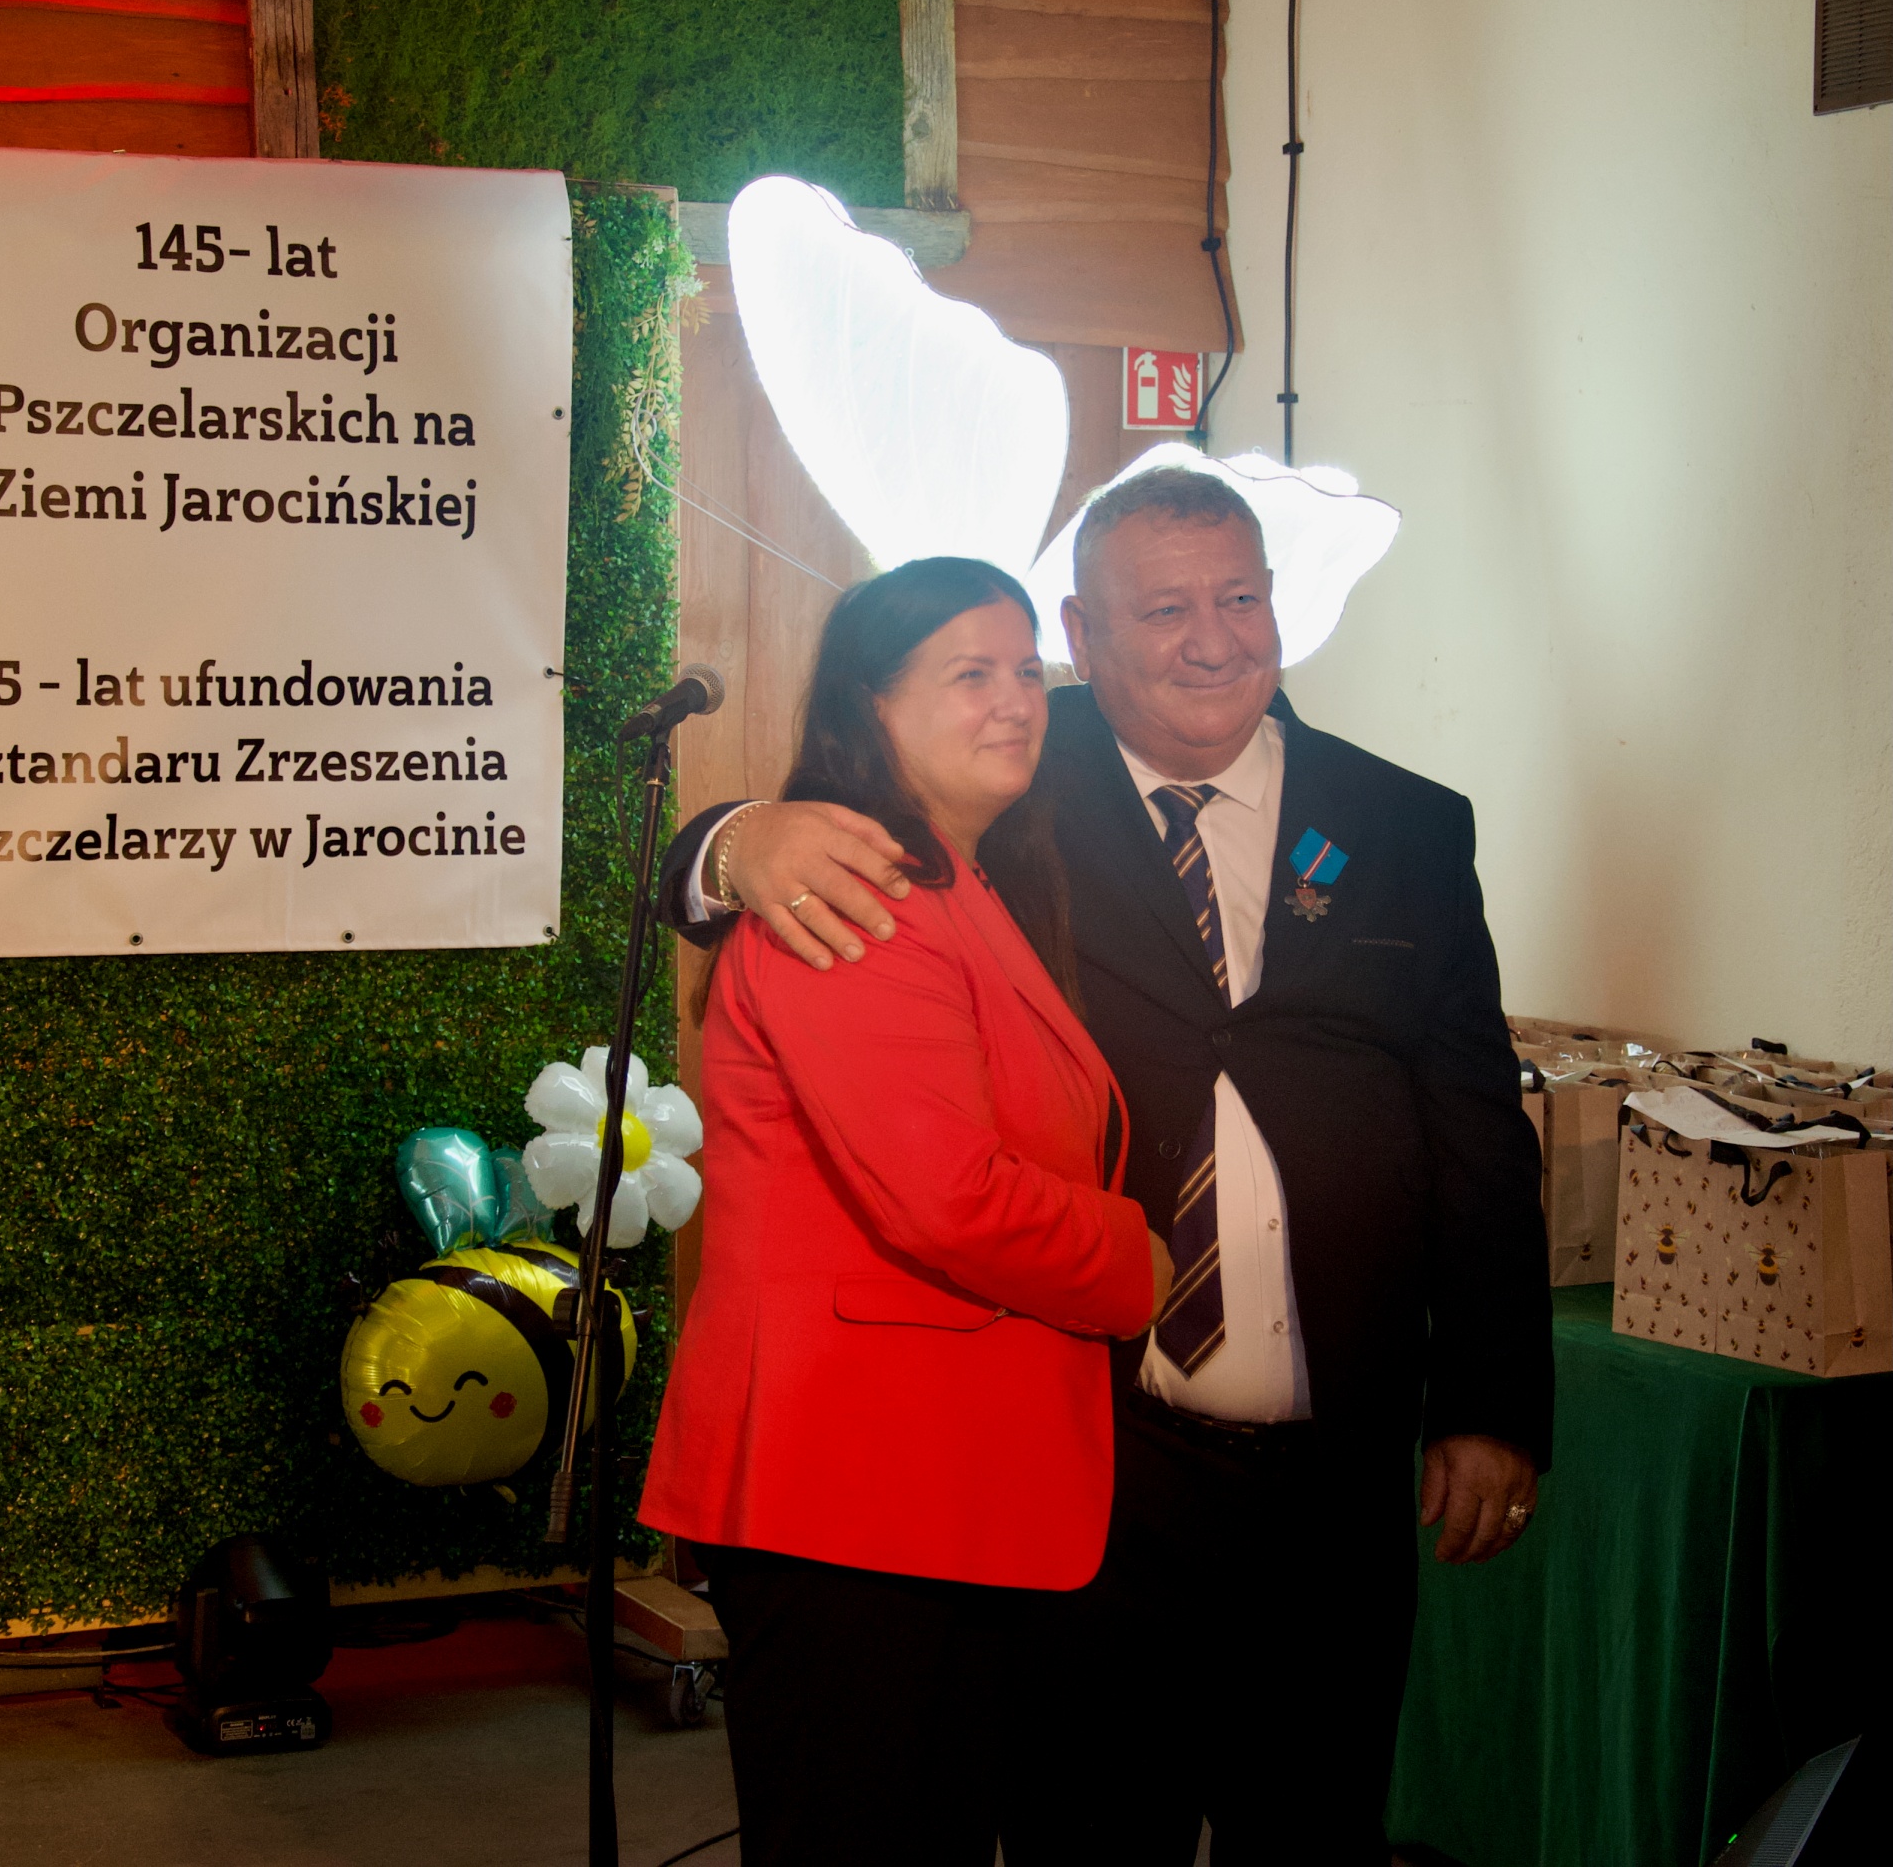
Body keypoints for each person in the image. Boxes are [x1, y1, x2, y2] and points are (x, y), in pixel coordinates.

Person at [661, 468, 1552, 1865]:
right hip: (1094, 1454)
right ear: (1084, 634)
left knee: (1310, 1824)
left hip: (1332, 1460)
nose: (1212, 639)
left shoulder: (1407, 825)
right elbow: (806, 839)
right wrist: (729, 840)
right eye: (1164, 609)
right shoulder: (1011, 771)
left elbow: (1475, 1128)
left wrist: (1490, 1399)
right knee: (1075, 1825)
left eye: (1239, 598)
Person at [639, 557, 1170, 1866]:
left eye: (1025, 669)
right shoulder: (855, 888)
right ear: (868, 706)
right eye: (967, 673)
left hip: (929, 1478)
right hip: (854, 1479)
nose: (1015, 700)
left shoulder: (965, 879)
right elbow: (945, 1199)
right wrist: (1136, 1263)